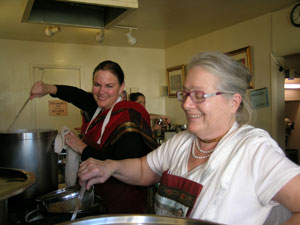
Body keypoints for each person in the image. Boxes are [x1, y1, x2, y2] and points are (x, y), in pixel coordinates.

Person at [77, 52, 300, 225]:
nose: (185, 104)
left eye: (199, 95)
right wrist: (110, 167)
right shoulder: (183, 142)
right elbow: (145, 169)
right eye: (185, 94)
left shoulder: (253, 150)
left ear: (233, 102)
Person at [30, 60, 158, 214]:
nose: (101, 92)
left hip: (123, 202)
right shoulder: (100, 107)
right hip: (97, 197)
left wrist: (81, 147)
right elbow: (77, 95)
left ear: (121, 87)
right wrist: (48, 88)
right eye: (97, 85)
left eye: (109, 86)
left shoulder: (129, 115)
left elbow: (121, 164)